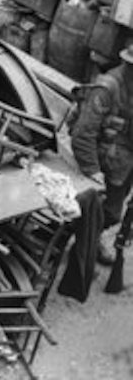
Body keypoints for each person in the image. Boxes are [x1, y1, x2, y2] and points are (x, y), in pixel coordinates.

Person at [70, 45, 133, 264]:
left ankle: (90, 239)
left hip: (124, 161)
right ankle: (70, 241)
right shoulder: (107, 88)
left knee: (112, 213)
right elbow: (82, 134)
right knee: (97, 211)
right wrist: (92, 171)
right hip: (103, 159)